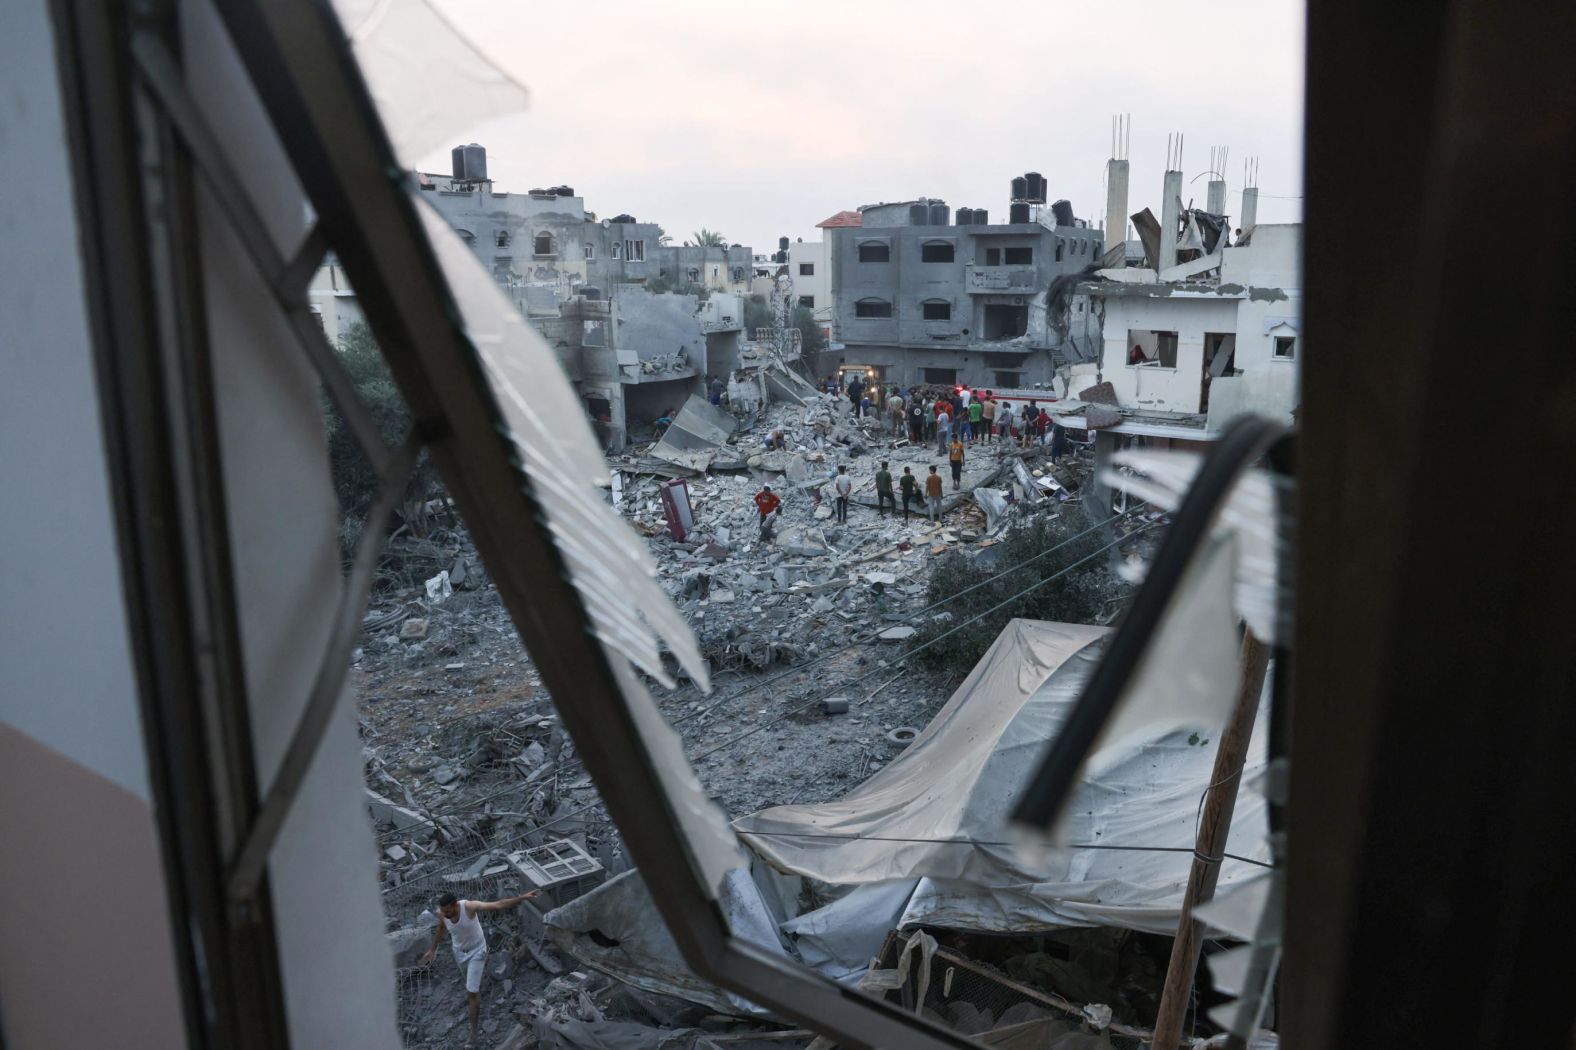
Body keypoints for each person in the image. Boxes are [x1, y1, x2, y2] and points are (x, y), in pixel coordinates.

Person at [421, 890, 540, 1044]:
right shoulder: (444, 913)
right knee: (469, 983)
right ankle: (473, 994)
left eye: (448, 912)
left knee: (471, 990)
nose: (445, 915)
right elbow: (441, 929)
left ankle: (474, 1032)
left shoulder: (469, 907)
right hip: (459, 952)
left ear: (456, 905)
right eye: (443, 912)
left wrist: (522, 897)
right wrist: (432, 949)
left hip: (477, 951)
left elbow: (498, 905)